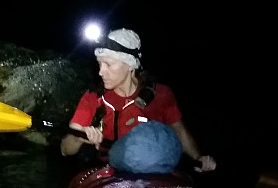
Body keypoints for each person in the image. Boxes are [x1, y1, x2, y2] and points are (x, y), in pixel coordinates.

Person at [59, 28, 217, 172]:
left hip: (155, 171)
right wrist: (79, 137)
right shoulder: (92, 98)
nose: (101, 72)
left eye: (108, 64)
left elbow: (179, 130)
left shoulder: (161, 94)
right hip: (110, 169)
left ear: (130, 65)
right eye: (99, 64)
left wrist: (198, 158)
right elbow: (65, 149)